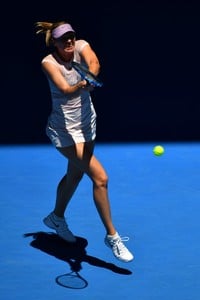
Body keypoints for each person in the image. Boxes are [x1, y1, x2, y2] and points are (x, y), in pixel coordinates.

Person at [35, 21, 134, 262]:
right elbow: (64, 88)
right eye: (63, 39)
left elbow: (94, 63)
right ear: (54, 42)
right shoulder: (48, 63)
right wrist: (82, 83)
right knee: (100, 178)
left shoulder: (81, 46)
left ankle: (56, 217)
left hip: (87, 123)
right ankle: (112, 236)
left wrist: (91, 75)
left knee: (75, 175)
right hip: (65, 131)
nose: (69, 41)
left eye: (71, 36)